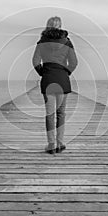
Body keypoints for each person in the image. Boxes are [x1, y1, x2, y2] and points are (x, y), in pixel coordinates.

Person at [32, 16, 78, 154]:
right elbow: (74, 63)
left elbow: (35, 61)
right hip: (62, 80)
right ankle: (60, 143)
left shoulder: (41, 42)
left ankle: (51, 145)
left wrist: (43, 73)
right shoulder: (67, 42)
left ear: (47, 26)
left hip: (48, 80)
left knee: (50, 114)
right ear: (60, 26)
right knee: (61, 113)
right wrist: (65, 73)